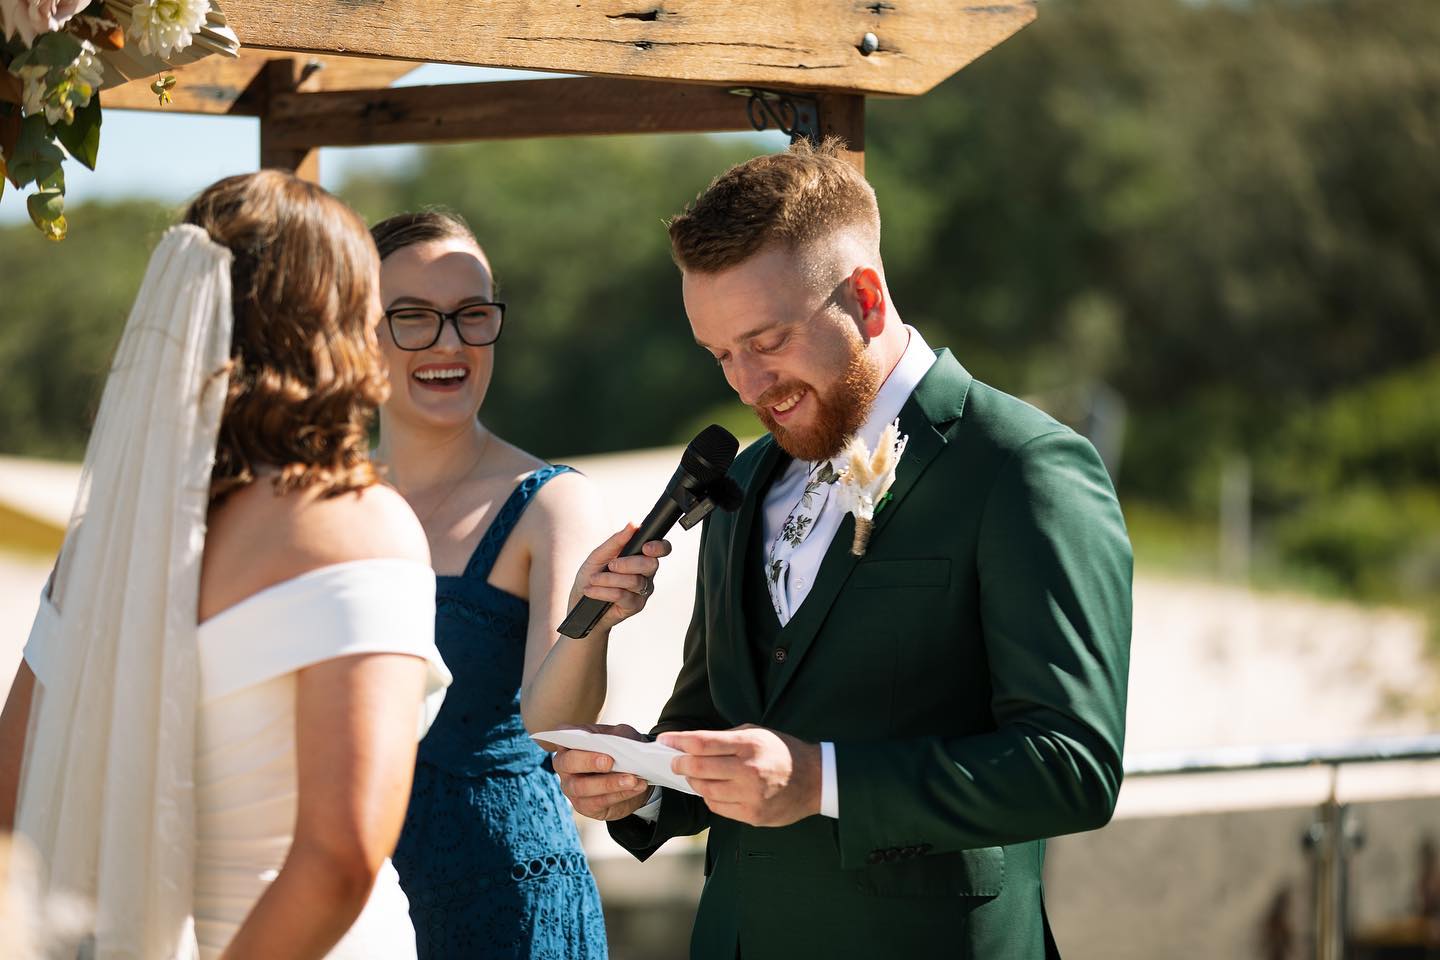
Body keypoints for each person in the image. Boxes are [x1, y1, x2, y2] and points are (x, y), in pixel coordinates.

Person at [551, 140, 1134, 959]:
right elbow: (715, 723)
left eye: (767, 340)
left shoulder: (1021, 467)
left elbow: (1071, 767)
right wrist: (643, 781)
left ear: (865, 296)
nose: (749, 386)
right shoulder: (742, 483)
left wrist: (821, 780)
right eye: (720, 355)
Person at [0, 171, 451, 960]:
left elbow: (12, 809)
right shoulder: (359, 524)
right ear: (340, 323)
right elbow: (342, 854)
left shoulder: (108, 544)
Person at [369, 210, 666, 960]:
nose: (449, 343)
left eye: (472, 315)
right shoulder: (320, 498)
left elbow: (551, 720)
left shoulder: (550, 500)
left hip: (505, 897)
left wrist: (590, 623)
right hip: (352, 892)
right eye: (412, 317)